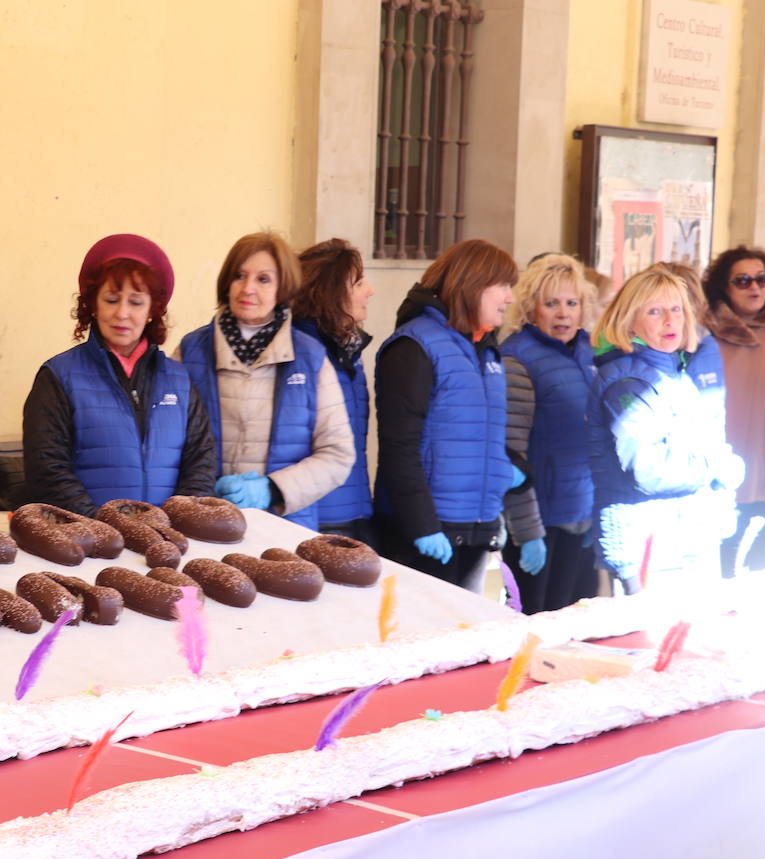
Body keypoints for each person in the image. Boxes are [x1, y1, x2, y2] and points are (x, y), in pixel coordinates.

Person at [23, 233, 216, 514]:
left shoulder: (180, 380)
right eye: (112, 299)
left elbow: (202, 461)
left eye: (136, 302)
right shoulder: (58, 376)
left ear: (153, 309)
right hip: (89, 545)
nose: (122, 313)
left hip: (165, 544)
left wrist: (173, 523)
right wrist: (104, 529)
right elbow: (47, 468)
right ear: (93, 304)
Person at [176, 231, 353, 528]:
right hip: (205, 523)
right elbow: (166, 440)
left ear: (283, 287)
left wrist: (272, 488)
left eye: (263, 279)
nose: (248, 288)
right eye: (239, 276)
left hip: (286, 529)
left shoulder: (310, 357)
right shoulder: (191, 351)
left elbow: (338, 454)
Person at [374, 238, 519, 593]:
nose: (509, 298)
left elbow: (482, 438)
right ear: (472, 285)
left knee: (468, 645)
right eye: (502, 285)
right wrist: (422, 525)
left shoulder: (484, 350)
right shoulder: (415, 346)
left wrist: (511, 481)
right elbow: (399, 446)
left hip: (473, 529)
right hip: (424, 535)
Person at [587, 268, 744, 593]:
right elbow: (649, 470)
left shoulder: (674, 373)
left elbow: (700, 442)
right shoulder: (627, 382)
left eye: (676, 309)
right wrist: (714, 467)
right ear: (629, 322)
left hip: (684, 534)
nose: (670, 321)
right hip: (647, 543)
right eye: (655, 311)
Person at [498, 254, 599, 613]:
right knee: (534, 635)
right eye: (551, 303)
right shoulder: (518, 358)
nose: (563, 314)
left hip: (581, 519)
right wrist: (528, 533)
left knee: (578, 631)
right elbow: (512, 455)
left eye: (572, 303)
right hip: (539, 525)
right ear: (530, 308)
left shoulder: (588, 352)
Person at [704, 245, 765, 574]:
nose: (755, 287)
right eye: (743, 280)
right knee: (718, 571)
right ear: (724, 287)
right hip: (715, 474)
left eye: (762, 279)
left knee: (760, 570)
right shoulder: (705, 334)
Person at [292, 237, 376, 542]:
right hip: (318, 519)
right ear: (331, 292)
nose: (370, 291)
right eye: (359, 283)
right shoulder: (301, 353)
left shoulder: (349, 351)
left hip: (356, 514)